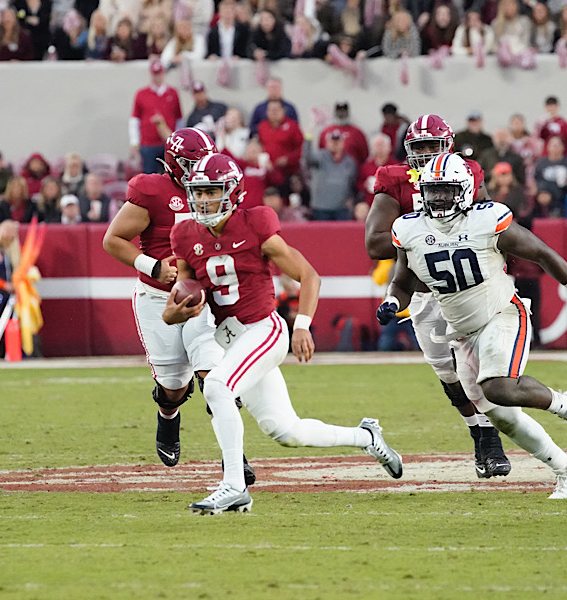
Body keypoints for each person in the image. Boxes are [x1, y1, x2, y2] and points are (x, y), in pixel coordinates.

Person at [167, 153, 403, 514]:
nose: (203, 200)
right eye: (198, 192)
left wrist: (302, 326)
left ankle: (233, 486)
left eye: (212, 192)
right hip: (232, 339)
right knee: (285, 430)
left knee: (216, 386)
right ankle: (366, 436)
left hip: (265, 328)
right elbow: (175, 305)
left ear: (233, 193)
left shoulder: (256, 223)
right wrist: (176, 313)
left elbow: (309, 275)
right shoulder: (184, 235)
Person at [380, 152, 567, 499]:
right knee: (502, 417)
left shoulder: (487, 220)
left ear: (466, 190)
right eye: (433, 191)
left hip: (502, 314)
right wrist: (392, 301)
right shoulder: (409, 228)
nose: (438, 198)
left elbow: (541, 252)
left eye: (447, 190)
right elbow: (403, 280)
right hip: (462, 332)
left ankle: (565, 405)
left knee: (498, 387)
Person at [103, 128, 254, 483]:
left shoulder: (215, 186)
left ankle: (234, 461)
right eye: (194, 164)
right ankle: (168, 416)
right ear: (175, 164)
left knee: (215, 380)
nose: (203, 170)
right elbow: (113, 239)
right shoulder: (152, 191)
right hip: (159, 298)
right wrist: (154, 266)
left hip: (204, 298)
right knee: (173, 388)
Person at [364, 114, 512, 479]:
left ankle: (492, 440)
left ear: (448, 147)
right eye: (421, 147)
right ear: (409, 150)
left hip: (466, 285)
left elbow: (491, 222)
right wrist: (425, 238)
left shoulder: (469, 172)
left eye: (434, 146)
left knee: (477, 367)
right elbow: (373, 242)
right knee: (446, 371)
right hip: (421, 285)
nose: (428, 153)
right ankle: (477, 431)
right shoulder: (395, 180)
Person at [130, 61, 183, 175]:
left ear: (163, 74)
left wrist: (178, 142)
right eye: (155, 74)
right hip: (148, 143)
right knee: (149, 176)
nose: (157, 77)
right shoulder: (141, 94)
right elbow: (135, 120)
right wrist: (134, 143)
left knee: (172, 175)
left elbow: (179, 119)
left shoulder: (172, 93)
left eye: (159, 73)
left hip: (168, 143)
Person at [307, 130, 357, 221]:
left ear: (343, 143)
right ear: (327, 143)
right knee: (322, 234)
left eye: (338, 141)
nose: (335, 144)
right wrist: (308, 138)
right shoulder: (319, 157)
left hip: (342, 208)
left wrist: (351, 198)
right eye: (332, 141)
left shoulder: (350, 161)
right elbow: (307, 158)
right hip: (321, 207)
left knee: (342, 234)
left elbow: (352, 182)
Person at [257, 99, 304, 179]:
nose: (273, 112)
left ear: (283, 110)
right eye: (270, 110)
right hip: (267, 172)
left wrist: (288, 159)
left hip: (288, 172)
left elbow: (301, 147)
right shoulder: (262, 126)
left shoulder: (292, 126)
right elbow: (258, 146)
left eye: (276, 110)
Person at [318, 101, 369, 167]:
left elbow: (364, 155)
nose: (341, 114)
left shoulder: (357, 133)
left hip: (351, 171)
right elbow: (320, 152)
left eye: (344, 111)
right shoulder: (326, 132)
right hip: (328, 171)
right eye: (339, 111)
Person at [0, 220, 20, 317]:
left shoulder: (19, 251)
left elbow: (23, 270)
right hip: (1, 291)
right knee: (2, 316)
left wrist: (16, 285)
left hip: (17, 291)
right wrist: (5, 285)